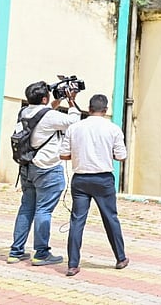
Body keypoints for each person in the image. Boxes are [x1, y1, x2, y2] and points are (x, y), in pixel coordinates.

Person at [8, 80, 81, 266]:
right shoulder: (50, 117)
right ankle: (41, 253)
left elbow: (44, 113)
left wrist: (56, 101)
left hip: (27, 167)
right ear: (44, 98)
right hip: (47, 169)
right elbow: (74, 121)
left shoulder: (24, 112)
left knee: (26, 208)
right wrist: (71, 101)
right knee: (44, 210)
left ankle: (15, 252)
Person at [59, 94, 128, 277]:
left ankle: (72, 264)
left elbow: (63, 155)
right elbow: (121, 156)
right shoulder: (113, 129)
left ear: (89, 109)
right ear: (105, 111)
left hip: (80, 179)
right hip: (103, 179)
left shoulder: (75, 128)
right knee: (110, 218)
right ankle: (120, 257)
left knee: (77, 220)